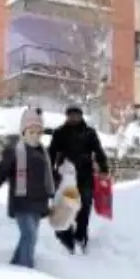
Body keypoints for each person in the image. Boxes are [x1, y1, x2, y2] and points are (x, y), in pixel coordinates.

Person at [0, 107, 53, 269]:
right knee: (29, 235)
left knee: (29, 238)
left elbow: (50, 177)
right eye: (32, 131)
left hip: (39, 204)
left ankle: (15, 267)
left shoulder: (43, 153)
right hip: (21, 203)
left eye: (39, 132)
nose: (36, 136)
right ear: (23, 131)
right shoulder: (14, 151)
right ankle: (26, 271)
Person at [48, 105, 109, 253]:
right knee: (65, 206)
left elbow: (98, 151)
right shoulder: (59, 133)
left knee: (84, 206)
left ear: (81, 116)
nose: (73, 117)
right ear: (66, 116)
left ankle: (81, 237)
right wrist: (50, 171)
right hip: (65, 177)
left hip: (84, 176)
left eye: (76, 115)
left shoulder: (89, 133)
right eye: (70, 115)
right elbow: (51, 153)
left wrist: (104, 169)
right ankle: (66, 236)